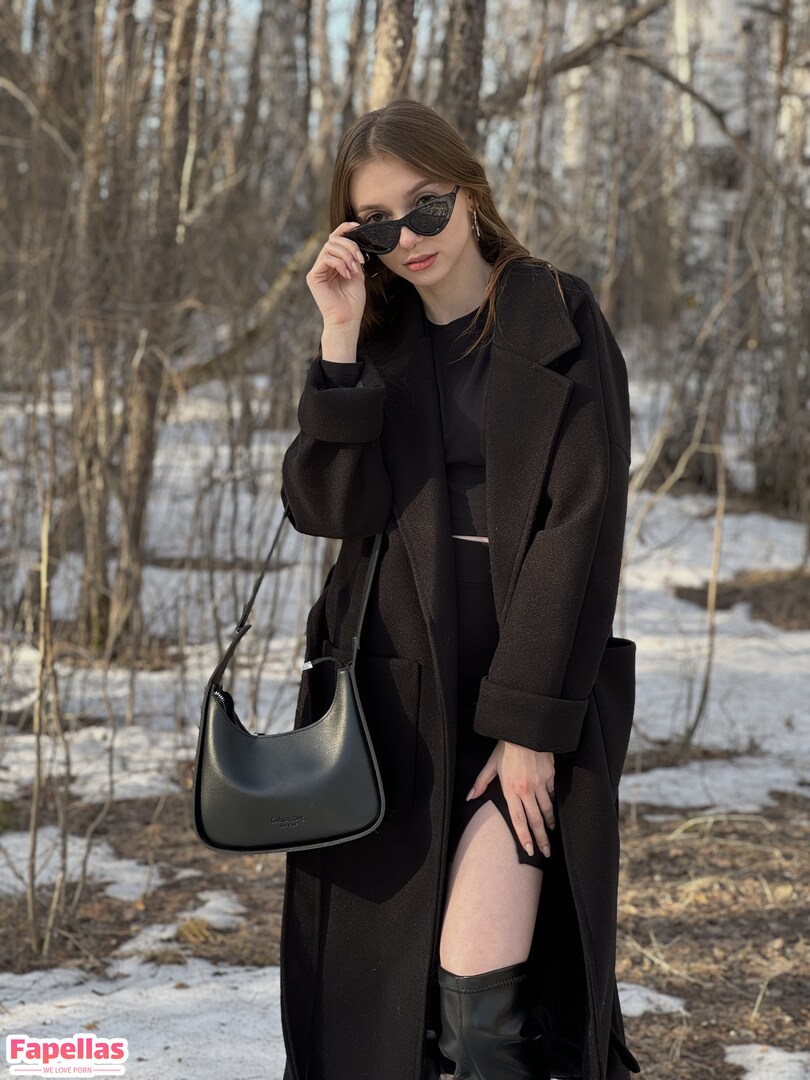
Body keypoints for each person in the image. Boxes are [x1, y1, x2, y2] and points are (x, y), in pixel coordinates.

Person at [278, 97, 641, 1080]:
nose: (409, 238)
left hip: (527, 694)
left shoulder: (558, 315)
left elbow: (583, 528)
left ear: (470, 191)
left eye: (426, 206)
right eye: (377, 224)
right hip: (395, 709)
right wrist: (340, 339)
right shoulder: (379, 344)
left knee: (484, 987)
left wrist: (528, 730)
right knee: (381, 1016)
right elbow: (328, 510)